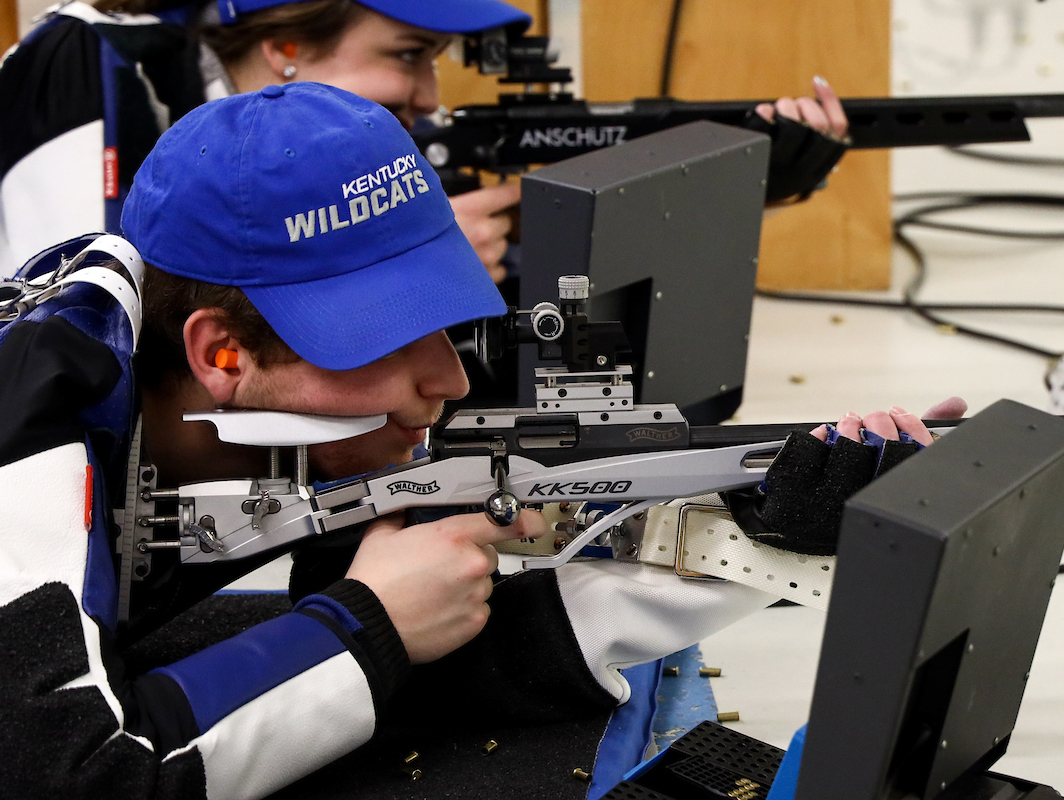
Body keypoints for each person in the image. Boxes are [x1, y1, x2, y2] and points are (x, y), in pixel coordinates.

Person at [0, 83, 954, 798]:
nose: (449, 382)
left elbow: (420, 648)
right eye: (384, 335)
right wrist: (366, 625)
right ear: (223, 354)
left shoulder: (211, 389)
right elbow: (78, 774)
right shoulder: (33, 448)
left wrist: (750, 535)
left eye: (444, 323)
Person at [0, 0, 850, 280]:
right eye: (407, 56)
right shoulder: (92, 66)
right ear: (286, 45)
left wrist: (742, 183)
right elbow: (76, 320)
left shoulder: (310, 140)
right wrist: (398, 265)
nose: (429, 97)